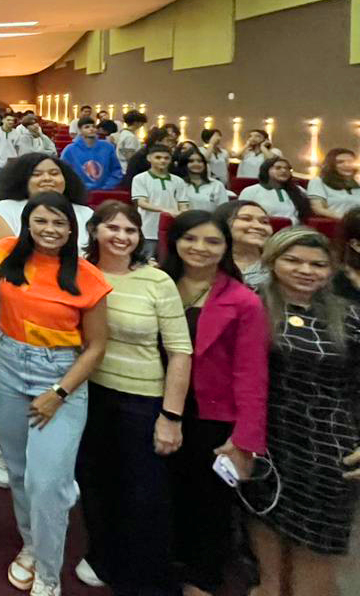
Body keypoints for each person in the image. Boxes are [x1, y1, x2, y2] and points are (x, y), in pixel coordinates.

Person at [0, 192, 111, 596]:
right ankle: (31, 542)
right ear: (27, 223)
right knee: (18, 469)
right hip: (7, 364)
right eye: (40, 221)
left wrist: (59, 392)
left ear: (72, 229)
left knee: (46, 482)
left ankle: (48, 573)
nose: (49, 229)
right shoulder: (6, 254)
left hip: (61, 375)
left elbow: (96, 347)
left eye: (59, 223)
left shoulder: (88, 277)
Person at [73, 201, 192, 595]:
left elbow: (180, 352)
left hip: (141, 399)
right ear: (94, 231)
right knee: (95, 484)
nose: (122, 237)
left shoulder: (156, 281)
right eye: (113, 228)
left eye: (130, 230)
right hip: (88, 394)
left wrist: (171, 416)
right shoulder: (78, 272)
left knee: (143, 494)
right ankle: (103, 557)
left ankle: (144, 580)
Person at [158, 210, 269, 596]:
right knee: (162, 495)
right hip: (156, 407)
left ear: (226, 248)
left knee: (208, 505)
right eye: (190, 238)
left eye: (212, 241)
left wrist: (245, 440)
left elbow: (252, 374)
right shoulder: (158, 284)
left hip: (212, 415)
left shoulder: (243, 300)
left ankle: (202, 578)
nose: (200, 248)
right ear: (174, 241)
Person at [245, 227, 359, 596]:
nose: (305, 271)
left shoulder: (351, 315)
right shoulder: (251, 305)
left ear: (331, 269)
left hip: (329, 445)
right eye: (293, 261)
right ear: (272, 261)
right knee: (264, 518)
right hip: (266, 437)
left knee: (317, 545)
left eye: (317, 264)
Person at [0, 152, 96, 250]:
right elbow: (3, 257)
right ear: (22, 180)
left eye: (54, 173)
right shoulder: (4, 211)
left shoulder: (86, 213)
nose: (47, 178)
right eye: (36, 174)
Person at [131, 144, 189, 259]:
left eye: (166, 158)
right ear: (149, 158)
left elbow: (183, 204)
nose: (163, 161)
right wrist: (165, 210)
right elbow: (142, 203)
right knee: (146, 261)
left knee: (170, 261)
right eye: (158, 157)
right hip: (148, 230)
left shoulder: (178, 181)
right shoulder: (140, 178)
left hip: (171, 229)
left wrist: (183, 214)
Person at [213, 199, 275, 288]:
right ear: (222, 223)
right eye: (246, 219)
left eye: (264, 222)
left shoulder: (277, 266)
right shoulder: (206, 263)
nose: (259, 226)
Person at [61, 118, 124, 192]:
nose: (91, 129)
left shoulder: (108, 147)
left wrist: (107, 186)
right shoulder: (70, 149)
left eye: (93, 126)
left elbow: (116, 170)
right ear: (80, 130)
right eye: (87, 127)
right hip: (79, 192)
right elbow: (63, 171)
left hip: (105, 191)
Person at [241, 157, 311, 224]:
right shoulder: (251, 191)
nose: (284, 171)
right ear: (266, 170)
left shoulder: (299, 190)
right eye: (278, 168)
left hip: (294, 230)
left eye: (287, 168)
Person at [306, 148, 360, 220]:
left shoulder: (357, 182)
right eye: (340, 162)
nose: (347, 165)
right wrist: (348, 219)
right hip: (336, 223)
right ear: (331, 165)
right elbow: (318, 209)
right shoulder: (318, 181)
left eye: (351, 162)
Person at [176, 146, 230, 214]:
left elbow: (224, 210)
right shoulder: (179, 184)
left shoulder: (217, 185)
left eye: (200, 161)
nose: (196, 164)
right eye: (191, 161)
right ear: (185, 164)